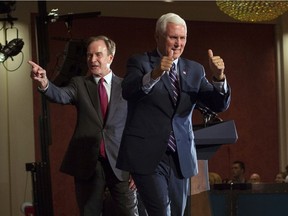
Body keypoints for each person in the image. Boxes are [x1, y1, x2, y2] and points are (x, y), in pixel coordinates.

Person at [116, 13, 231, 216]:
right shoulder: (140, 62)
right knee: (161, 211)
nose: (178, 43)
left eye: (182, 38)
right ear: (158, 37)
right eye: (173, 37)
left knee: (177, 211)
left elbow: (218, 104)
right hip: (147, 154)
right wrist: (154, 75)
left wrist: (219, 77)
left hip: (180, 155)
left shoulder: (194, 69)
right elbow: (128, 91)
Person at [28, 36, 139, 216]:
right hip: (88, 164)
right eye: (89, 55)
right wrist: (44, 83)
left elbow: (135, 128)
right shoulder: (79, 84)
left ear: (110, 57)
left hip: (121, 164)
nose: (92, 60)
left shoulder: (125, 86)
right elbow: (61, 95)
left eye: (98, 55)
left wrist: (137, 166)